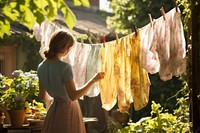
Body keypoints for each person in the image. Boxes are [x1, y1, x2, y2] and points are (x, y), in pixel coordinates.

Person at [37, 30, 105, 133]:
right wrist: (93, 80)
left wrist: (57, 95)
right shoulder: (64, 67)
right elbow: (73, 96)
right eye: (69, 47)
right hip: (68, 110)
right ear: (64, 47)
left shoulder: (41, 67)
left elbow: (42, 96)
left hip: (53, 111)